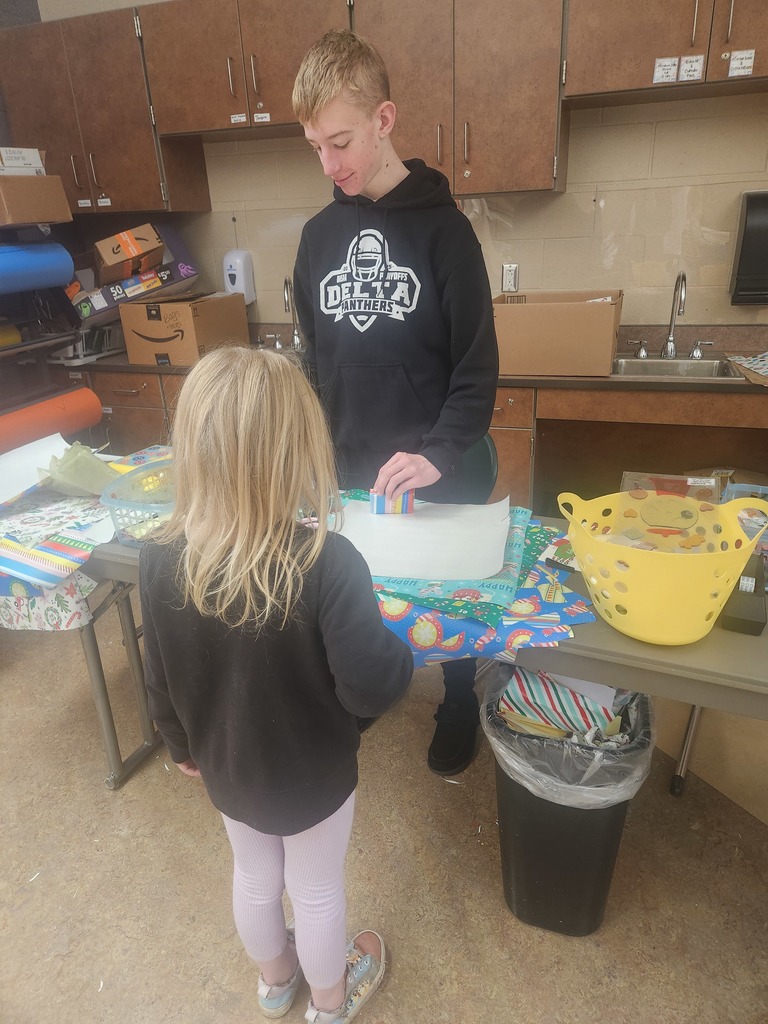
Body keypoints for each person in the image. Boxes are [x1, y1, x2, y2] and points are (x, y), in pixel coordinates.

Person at [139, 346, 413, 1024]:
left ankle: (274, 984)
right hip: (312, 772)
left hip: (225, 767)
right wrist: (401, 655)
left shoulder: (156, 558)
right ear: (297, 453)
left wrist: (180, 748)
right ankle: (327, 1004)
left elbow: (159, 676)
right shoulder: (328, 562)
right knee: (316, 892)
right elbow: (371, 687)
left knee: (254, 876)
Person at [292, 29, 499, 777]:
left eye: (340, 140)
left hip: (433, 467)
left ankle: (456, 700)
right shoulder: (317, 240)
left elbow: (478, 373)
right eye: (315, 145)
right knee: (356, 597)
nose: (329, 163)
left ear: (384, 120)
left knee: (447, 606)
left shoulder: (448, 234)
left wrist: (438, 453)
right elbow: (315, 365)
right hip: (350, 471)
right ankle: (362, 693)